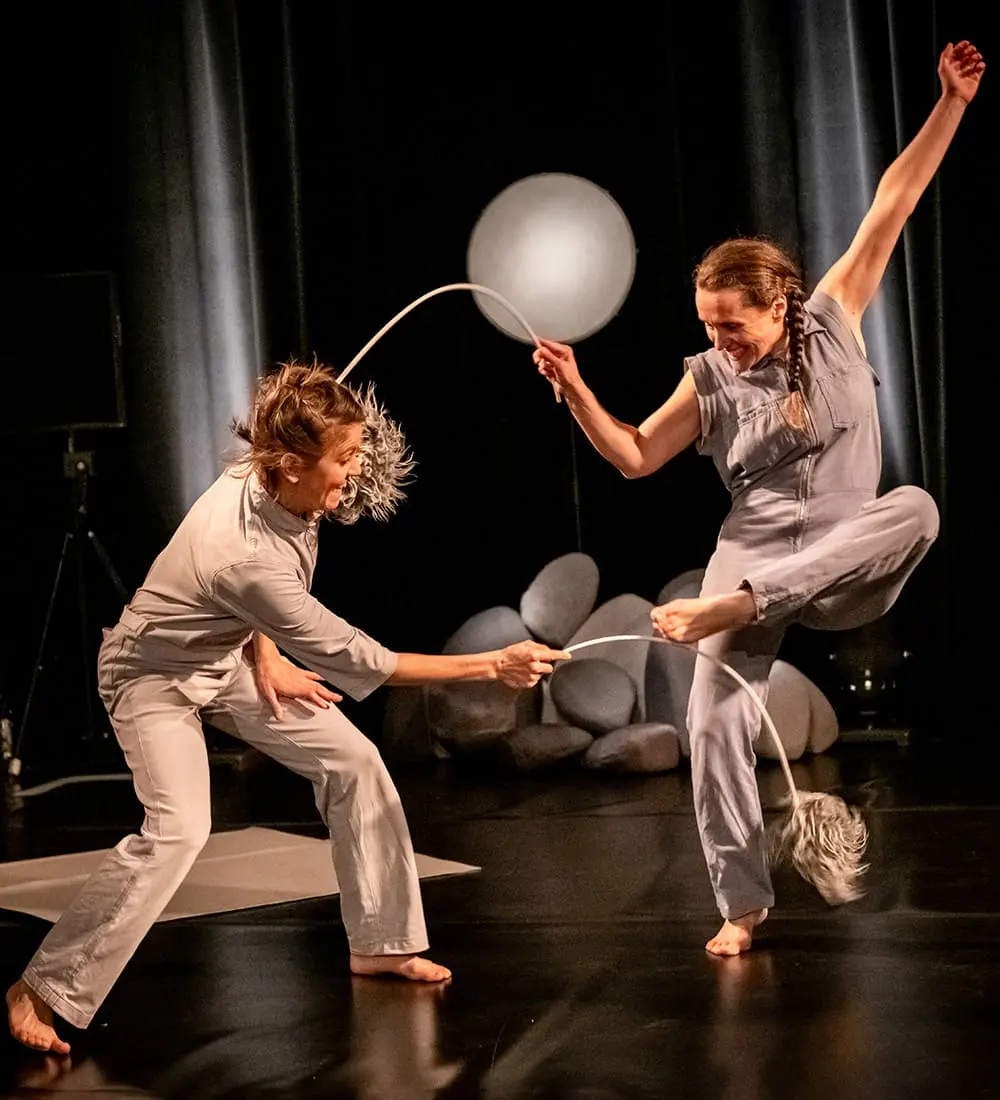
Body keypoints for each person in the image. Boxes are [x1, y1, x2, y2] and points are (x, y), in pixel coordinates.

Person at [533, 41, 984, 957]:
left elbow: (894, 200)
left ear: (779, 306)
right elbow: (634, 456)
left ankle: (742, 605)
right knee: (711, 724)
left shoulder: (834, 317)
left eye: (732, 325)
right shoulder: (708, 379)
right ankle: (742, 905)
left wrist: (951, 103)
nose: (720, 342)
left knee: (920, 508)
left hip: (843, 558)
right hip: (751, 556)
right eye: (708, 325)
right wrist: (575, 390)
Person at [7, 362, 569, 1054]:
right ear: (291, 464)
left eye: (356, 452)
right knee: (180, 828)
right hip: (150, 673)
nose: (355, 472)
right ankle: (40, 988)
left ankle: (383, 943)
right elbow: (370, 660)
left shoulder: (274, 476)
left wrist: (266, 655)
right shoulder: (240, 552)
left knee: (355, 761)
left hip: (231, 658)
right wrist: (494, 664)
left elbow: (257, 602)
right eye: (344, 458)